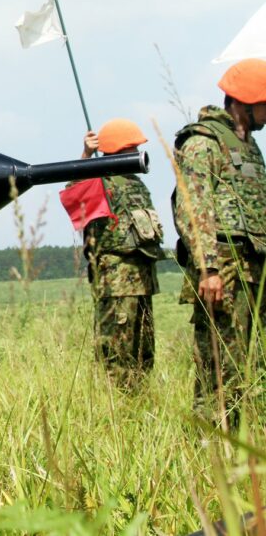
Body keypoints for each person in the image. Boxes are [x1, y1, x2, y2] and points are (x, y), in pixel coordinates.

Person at [173, 58, 266, 422]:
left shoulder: (248, 148)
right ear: (244, 101)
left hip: (255, 266)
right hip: (224, 268)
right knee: (221, 367)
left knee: (251, 364)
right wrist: (209, 268)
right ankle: (213, 454)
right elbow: (195, 210)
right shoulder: (202, 143)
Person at [78, 119, 163, 386]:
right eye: (132, 148)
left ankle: (139, 406)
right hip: (116, 284)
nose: (137, 152)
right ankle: (115, 411)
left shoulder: (136, 184)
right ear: (118, 150)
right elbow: (76, 195)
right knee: (115, 353)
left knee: (143, 351)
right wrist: (87, 156)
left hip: (142, 282)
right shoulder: (100, 181)